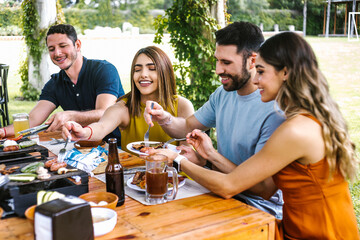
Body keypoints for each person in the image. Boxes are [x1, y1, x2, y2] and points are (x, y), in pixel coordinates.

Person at [151, 32, 360, 239]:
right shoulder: (303, 120)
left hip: (322, 233)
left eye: (261, 72)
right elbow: (262, 185)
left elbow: (228, 186)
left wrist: (176, 159)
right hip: (296, 227)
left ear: (285, 72)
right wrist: (209, 156)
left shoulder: (295, 130)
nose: (256, 80)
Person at [144, 22, 285, 219]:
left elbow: (262, 189)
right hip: (220, 191)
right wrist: (164, 118)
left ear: (252, 60)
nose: (218, 70)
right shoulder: (223, 94)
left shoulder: (273, 110)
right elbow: (185, 126)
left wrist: (200, 158)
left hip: (258, 208)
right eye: (217, 61)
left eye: (226, 63)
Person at [0, 24, 124, 140]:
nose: (57, 53)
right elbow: (33, 119)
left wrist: (71, 116)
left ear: (78, 45)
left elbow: (105, 112)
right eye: (52, 49)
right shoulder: (54, 83)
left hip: (116, 146)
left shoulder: (103, 70)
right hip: (80, 146)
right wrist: (3, 132)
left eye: (63, 46)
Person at [61, 46, 194, 150]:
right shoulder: (124, 107)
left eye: (151, 68)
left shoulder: (183, 106)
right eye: (137, 70)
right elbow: (101, 127)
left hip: (176, 179)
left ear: (164, 73)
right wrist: (83, 133)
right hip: (134, 178)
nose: (143, 75)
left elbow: (187, 151)